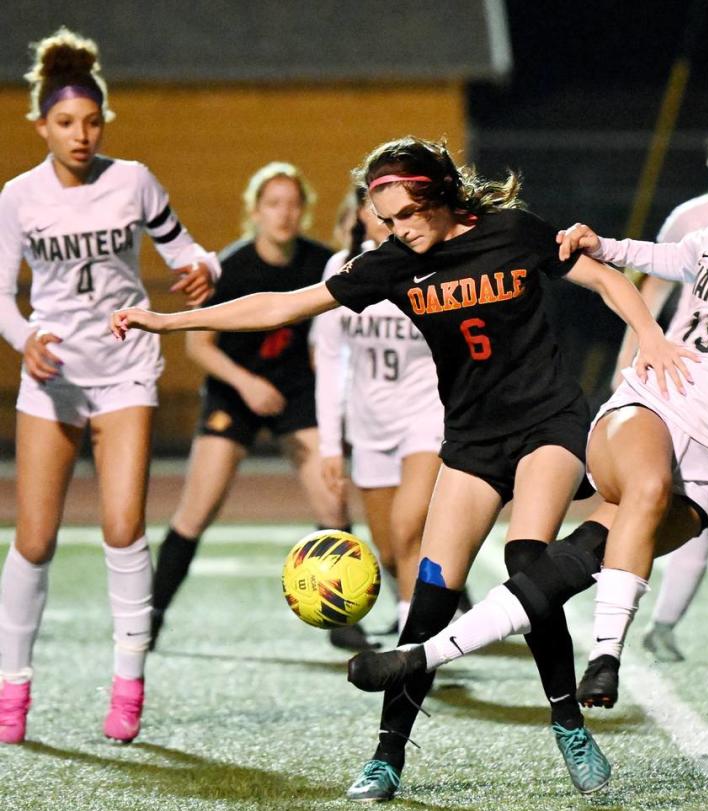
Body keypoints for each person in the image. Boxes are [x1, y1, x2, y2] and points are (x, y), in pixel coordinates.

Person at [110, 136, 693, 799]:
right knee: (429, 598)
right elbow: (283, 305)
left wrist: (649, 333)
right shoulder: (392, 262)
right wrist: (168, 321)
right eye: (386, 220)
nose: (396, 230)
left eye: (406, 215)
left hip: (548, 424)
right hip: (473, 441)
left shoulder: (512, 231)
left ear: (439, 194)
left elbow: (604, 277)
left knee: (528, 560)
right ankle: (387, 756)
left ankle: (567, 723)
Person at [345, 33, 708, 734]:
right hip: (651, 409)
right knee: (644, 486)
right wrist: (604, 246)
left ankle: (419, 657)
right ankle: (607, 657)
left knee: (559, 572)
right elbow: (663, 254)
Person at [0, 28, 219, 744]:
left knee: (123, 528)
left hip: (126, 372)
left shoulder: (134, 179)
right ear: (41, 125)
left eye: (92, 121)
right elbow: (2, 296)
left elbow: (185, 250)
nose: (82, 134)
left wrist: (204, 269)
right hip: (55, 382)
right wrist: (23, 337)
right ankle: (12, 690)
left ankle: (128, 681)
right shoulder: (18, 197)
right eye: (66, 123)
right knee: (33, 540)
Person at [148, 162, 368, 652]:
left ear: (305, 211)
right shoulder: (233, 266)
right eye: (274, 203)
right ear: (254, 211)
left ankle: (341, 617)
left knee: (332, 501)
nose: (284, 214)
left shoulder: (321, 262)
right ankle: (152, 613)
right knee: (196, 510)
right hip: (236, 395)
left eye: (293, 204)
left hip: (295, 395)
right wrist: (246, 384)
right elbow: (199, 346)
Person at [611, 108, 708, 662]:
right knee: (688, 503)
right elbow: (650, 293)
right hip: (682, 376)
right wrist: (630, 363)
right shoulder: (694, 217)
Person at [313, 189, 443, 635]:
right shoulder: (343, 268)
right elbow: (328, 359)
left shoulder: (432, 264)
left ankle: (416, 652)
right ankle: (435, 610)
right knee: (388, 550)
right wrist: (330, 445)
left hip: (426, 414)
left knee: (411, 528)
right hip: (369, 423)